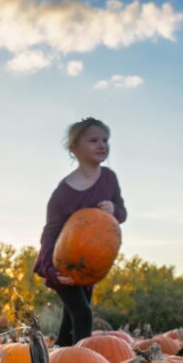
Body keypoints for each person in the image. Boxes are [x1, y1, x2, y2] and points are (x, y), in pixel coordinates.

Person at [33, 117, 128, 346]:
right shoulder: (63, 193)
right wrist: (50, 269)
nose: (102, 145)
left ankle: (60, 359)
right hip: (63, 266)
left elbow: (122, 214)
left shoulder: (109, 179)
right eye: (93, 140)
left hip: (90, 265)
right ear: (74, 148)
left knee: (70, 323)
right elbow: (51, 232)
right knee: (83, 315)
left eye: (105, 140)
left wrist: (114, 209)